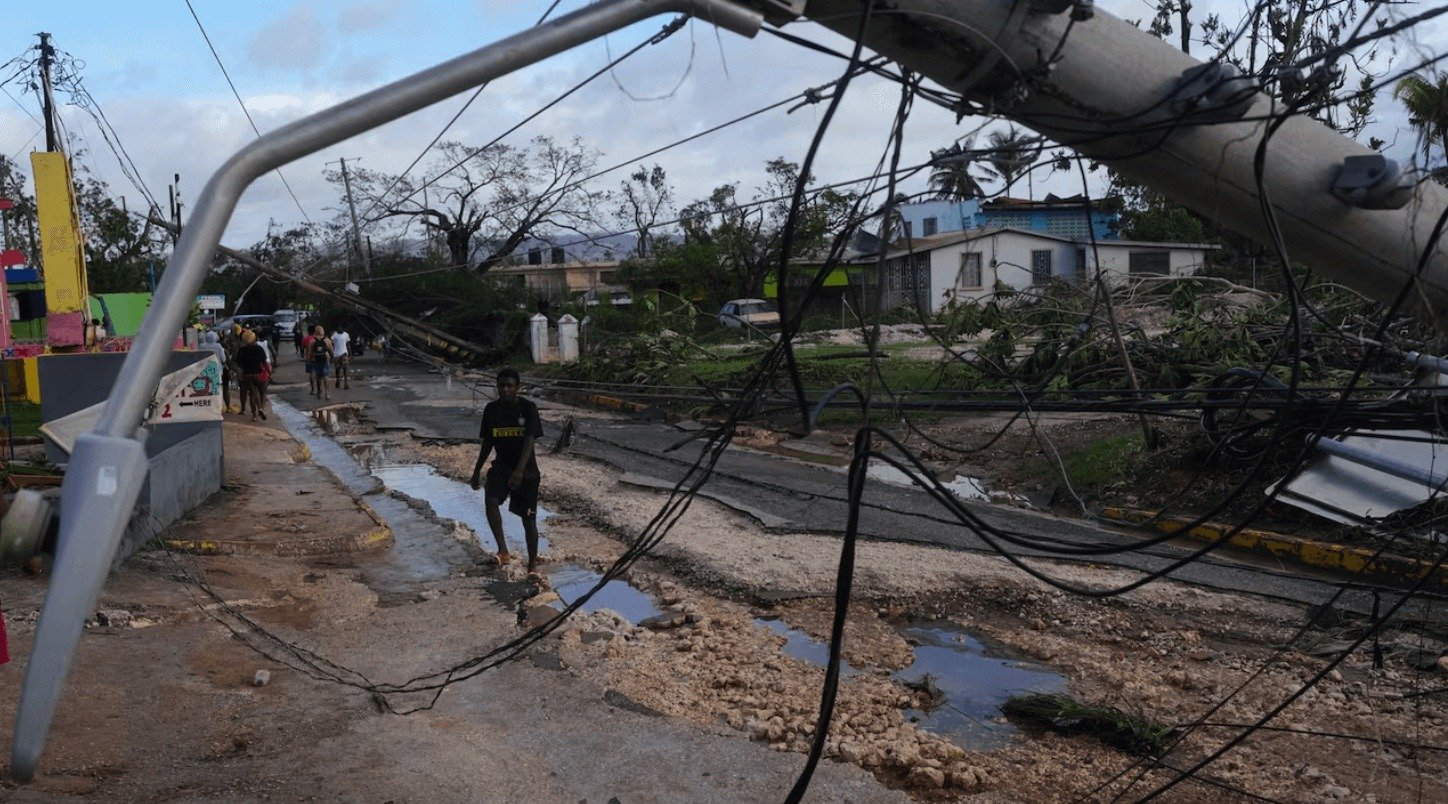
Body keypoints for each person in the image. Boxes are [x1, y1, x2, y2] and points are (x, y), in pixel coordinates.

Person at [470, 368, 543, 571]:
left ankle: (533, 563)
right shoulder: (491, 410)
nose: (505, 389)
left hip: (526, 470)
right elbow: (488, 442)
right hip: (501, 467)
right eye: (501, 385)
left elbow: (529, 440)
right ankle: (503, 551)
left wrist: (519, 471)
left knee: (529, 519)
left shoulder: (529, 408)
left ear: (517, 388)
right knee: (491, 500)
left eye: (509, 386)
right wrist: (476, 471)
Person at [235, 329, 270, 421]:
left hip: (247, 375)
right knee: (262, 392)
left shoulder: (242, 350)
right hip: (258, 374)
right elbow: (264, 363)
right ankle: (261, 408)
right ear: (254, 338)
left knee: (253, 394)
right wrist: (269, 372)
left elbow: (239, 364)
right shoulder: (259, 349)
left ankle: (254, 415)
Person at [306, 324, 333, 400]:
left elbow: (310, 353)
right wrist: (332, 358)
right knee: (326, 377)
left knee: (318, 377)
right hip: (325, 360)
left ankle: (318, 392)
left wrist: (309, 360)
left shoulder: (312, 341)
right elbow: (331, 350)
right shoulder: (327, 340)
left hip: (316, 360)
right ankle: (327, 393)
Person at [331, 326, 351, 390]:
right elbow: (332, 344)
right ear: (337, 329)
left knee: (345, 369)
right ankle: (337, 380)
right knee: (337, 369)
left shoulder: (346, 334)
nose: (340, 329)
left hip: (344, 354)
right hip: (336, 355)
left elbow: (348, 344)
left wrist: (350, 354)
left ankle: (346, 384)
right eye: (339, 328)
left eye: (341, 328)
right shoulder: (334, 335)